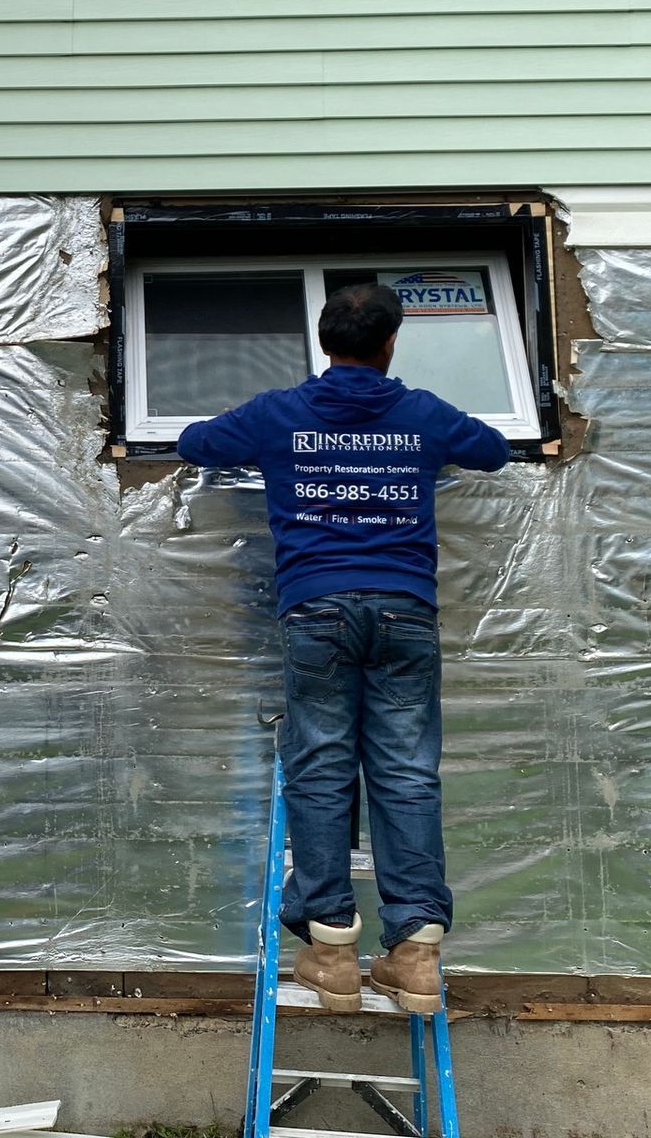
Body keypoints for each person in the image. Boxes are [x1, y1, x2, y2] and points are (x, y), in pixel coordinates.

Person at [177, 283, 509, 1014]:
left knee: (322, 766)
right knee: (407, 775)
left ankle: (331, 951)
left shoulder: (278, 414)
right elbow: (492, 451)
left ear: (324, 343)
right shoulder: (420, 412)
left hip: (317, 614)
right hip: (405, 614)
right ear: (391, 344)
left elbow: (195, 441)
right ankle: (416, 952)